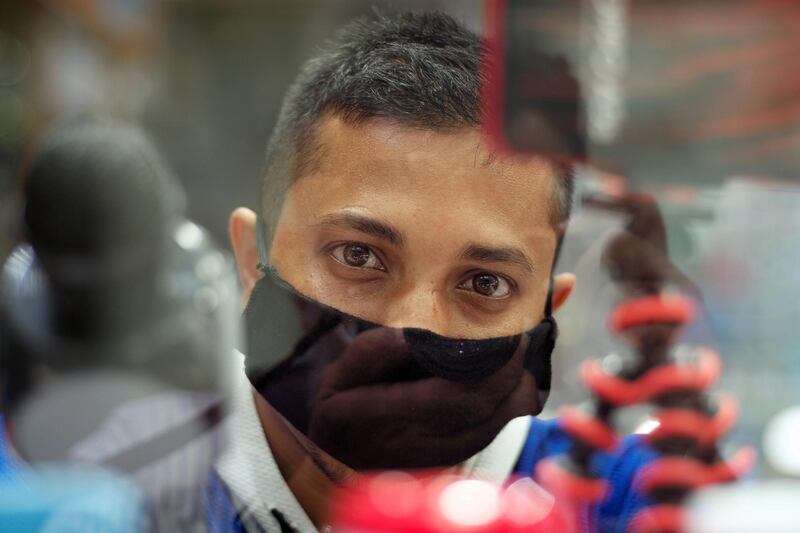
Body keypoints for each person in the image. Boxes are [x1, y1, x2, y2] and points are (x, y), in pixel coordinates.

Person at [214, 11, 670, 533]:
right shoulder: (131, 484)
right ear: (252, 259)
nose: (412, 334)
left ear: (547, 313)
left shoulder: (615, 499)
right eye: (358, 256)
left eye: (485, 284)